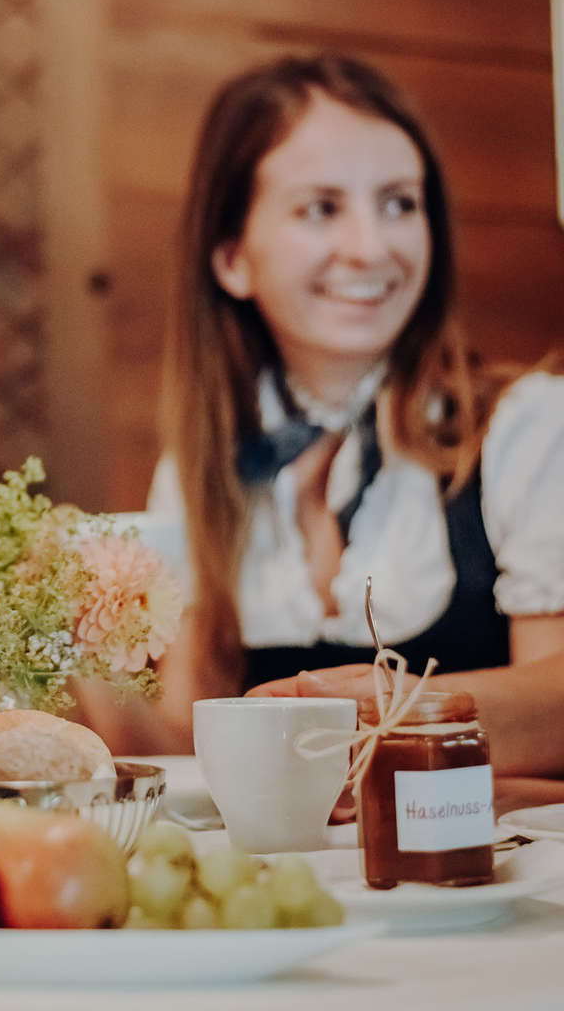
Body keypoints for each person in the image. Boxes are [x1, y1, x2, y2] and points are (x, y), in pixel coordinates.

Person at [75, 53, 564, 774]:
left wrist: (402, 709)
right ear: (233, 257)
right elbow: (188, 753)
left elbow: (557, 713)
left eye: (400, 202)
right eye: (322, 208)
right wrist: (71, 651)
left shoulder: (526, 427)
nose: (371, 248)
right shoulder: (202, 465)